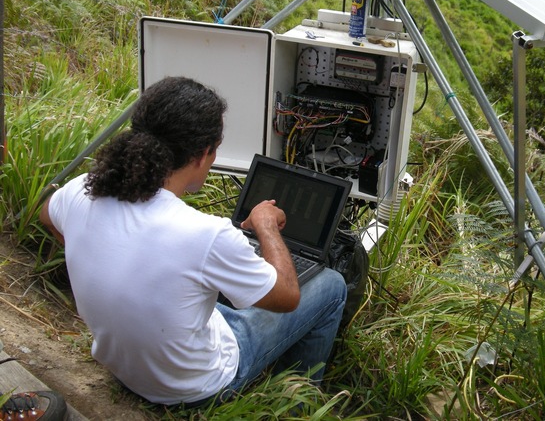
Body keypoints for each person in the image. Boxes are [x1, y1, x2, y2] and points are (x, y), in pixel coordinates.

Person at [39, 76, 347, 406]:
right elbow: (287, 297)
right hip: (196, 387)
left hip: (123, 365)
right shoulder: (206, 234)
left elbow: (46, 213)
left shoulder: (83, 189)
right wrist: (266, 227)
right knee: (331, 285)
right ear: (202, 155)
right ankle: (296, 402)